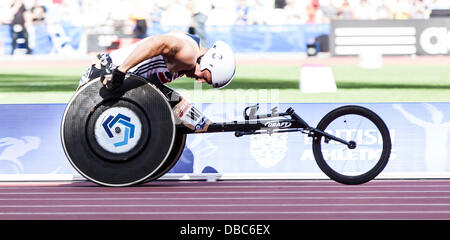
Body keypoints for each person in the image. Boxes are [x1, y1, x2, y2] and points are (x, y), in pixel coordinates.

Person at [78, 31, 236, 131]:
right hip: (106, 78)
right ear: (210, 61)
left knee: (177, 104)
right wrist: (121, 71)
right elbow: (157, 42)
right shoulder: (188, 55)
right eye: (205, 77)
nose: (200, 81)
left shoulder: (190, 53)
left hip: (117, 81)